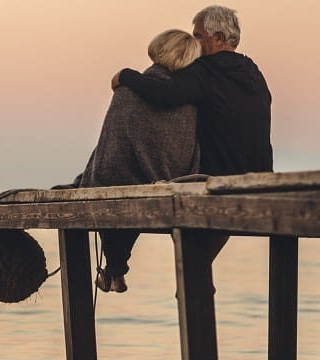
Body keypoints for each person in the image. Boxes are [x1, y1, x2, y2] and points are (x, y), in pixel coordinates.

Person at [102, 5, 273, 293]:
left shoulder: (204, 70)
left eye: (198, 35)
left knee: (136, 176)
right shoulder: (253, 71)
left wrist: (126, 76)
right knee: (197, 265)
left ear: (218, 38)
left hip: (213, 180)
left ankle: (171, 282)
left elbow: (164, 94)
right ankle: (195, 285)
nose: (194, 42)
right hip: (255, 180)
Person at [64, 29, 202, 293]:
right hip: (169, 181)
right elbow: (186, 148)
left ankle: (115, 270)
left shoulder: (128, 92)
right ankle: (114, 271)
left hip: (123, 182)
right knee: (120, 184)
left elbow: (111, 146)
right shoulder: (188, 102)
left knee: (105, 182)